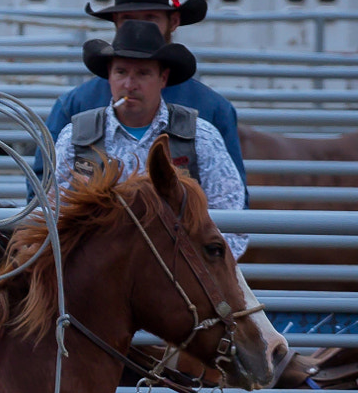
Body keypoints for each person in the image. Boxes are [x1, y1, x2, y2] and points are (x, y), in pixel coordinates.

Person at [39, 0, 245, 202]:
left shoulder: (212, 114)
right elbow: (43, 194)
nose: (138, 28)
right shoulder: (73, 109)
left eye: (150, 18)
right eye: (128, 19)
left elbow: (230, 203)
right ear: (116, 23)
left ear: (174, 21)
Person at [52, 19, 246, 260]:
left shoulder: (201, 137)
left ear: (163, 79)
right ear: (109, 76)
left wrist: (197, 271)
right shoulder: (75, 137)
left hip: (180, 282)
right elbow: (52, 215)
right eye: (121, 72)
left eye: (142, 73)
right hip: (97, 282)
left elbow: (232, 220)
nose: (129, 85)